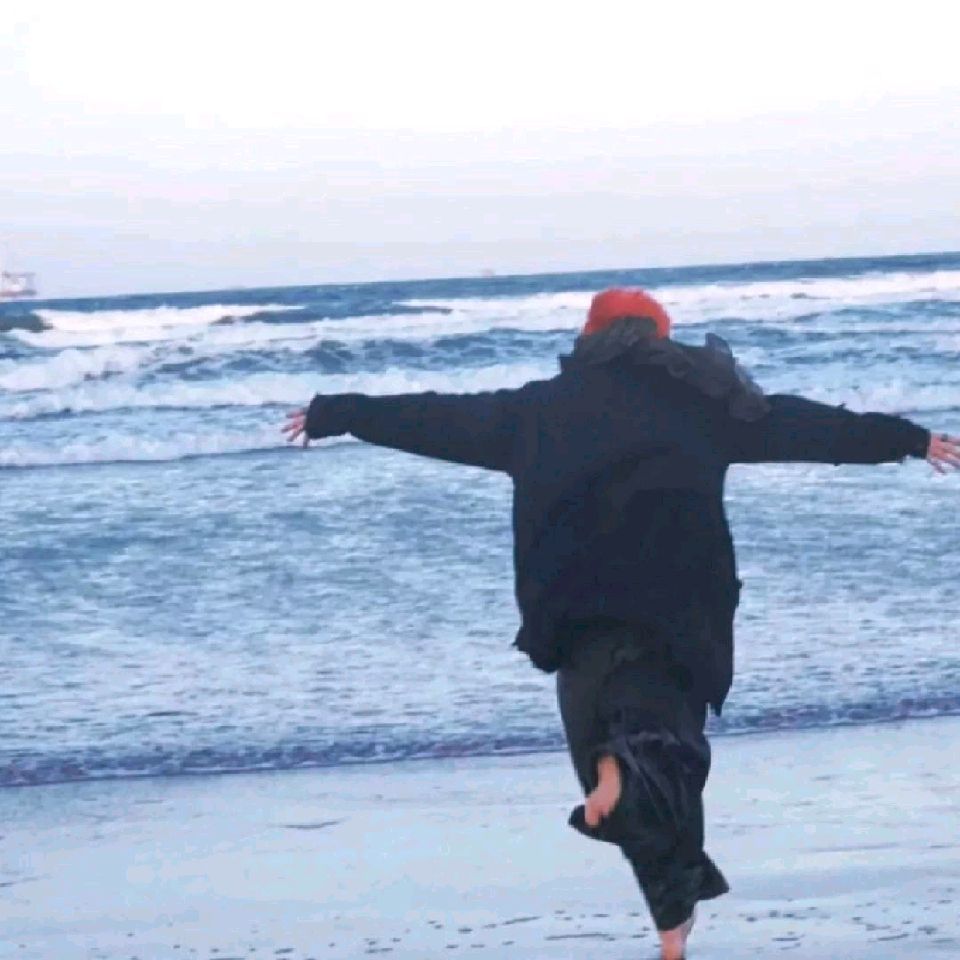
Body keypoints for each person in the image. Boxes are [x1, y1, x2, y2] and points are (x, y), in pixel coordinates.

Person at [282, 288, 959, 960]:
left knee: (624, 770)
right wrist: (907, 439)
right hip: (679, 609)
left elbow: (432, 418)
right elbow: (808, 427)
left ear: (589, 339)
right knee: (669, 759)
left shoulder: (534, 411)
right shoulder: (706, 407)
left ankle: (665, 917)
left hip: (575, 610)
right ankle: (648, 851)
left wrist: (337, 412)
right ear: (662, 342)